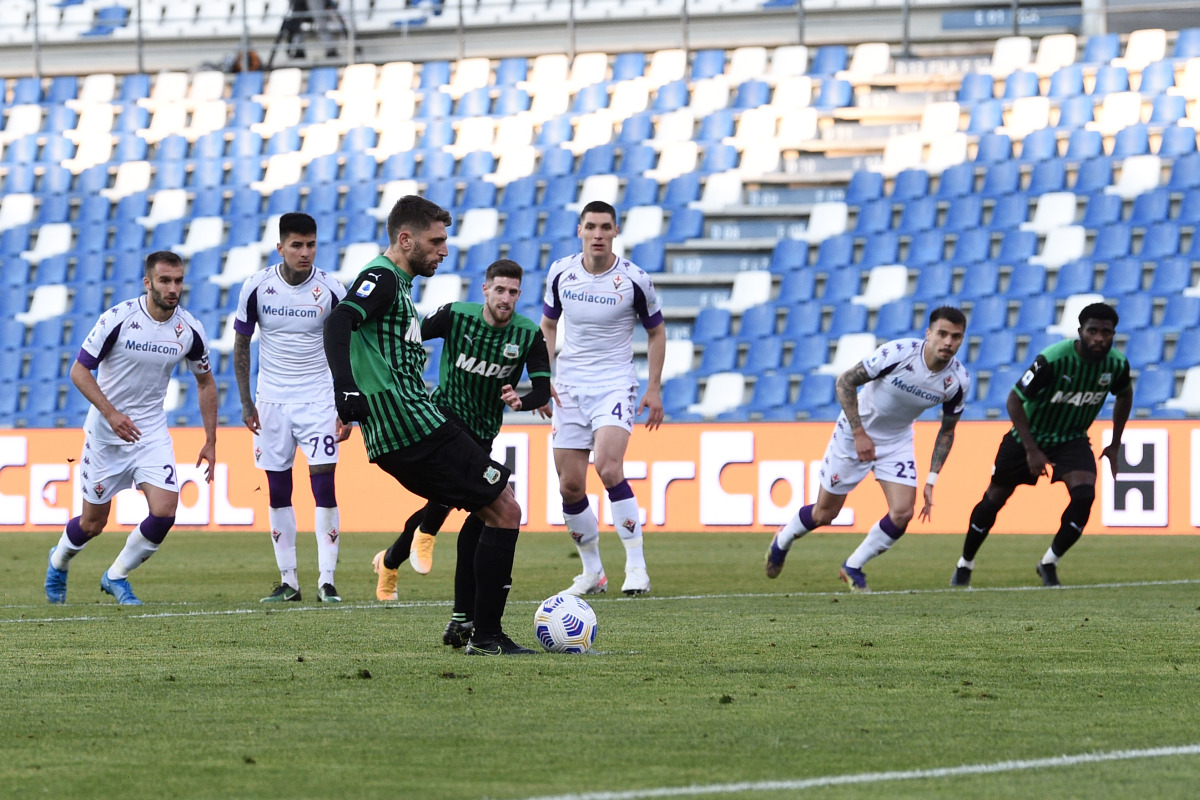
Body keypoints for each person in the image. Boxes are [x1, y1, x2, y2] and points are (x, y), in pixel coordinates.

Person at [323, 195, 533, 656]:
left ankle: (468, 624)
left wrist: (352, 396)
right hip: (413, 425)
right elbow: (338, 322)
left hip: (413, 425)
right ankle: (487, 635)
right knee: (506, 510)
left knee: (493, 508)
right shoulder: (379, 277)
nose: (442, 250)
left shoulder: (398, 286)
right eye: (435, 241)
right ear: (406, 238)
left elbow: (366, 345)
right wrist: (345, 391)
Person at [371, 259, 551, 649]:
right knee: (488, 509)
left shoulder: (528, 335)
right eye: (499, 289)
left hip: (484, 434)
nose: (506, 298)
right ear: (485, 289)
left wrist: (521, 400)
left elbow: (542, 388)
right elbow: (408, 339)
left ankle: (396, 562)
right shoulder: (456, 316)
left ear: (519, 295)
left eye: (513, 292)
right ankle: (429, 539)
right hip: (445, 422)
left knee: (478, 518)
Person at [44, 251, 217, 606]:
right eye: (165, 280)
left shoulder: (190, 330)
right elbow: (79, 371)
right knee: (93, 524)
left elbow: (206, 383)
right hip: (107, 435)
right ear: (148, 282)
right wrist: (111, 414)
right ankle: (58, 560)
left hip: (149, 433)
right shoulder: (119, 319)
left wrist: (211, 439)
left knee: (166, 511)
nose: (173, 288)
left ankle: (116, 576)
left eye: (179, 281)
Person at [765, 307, 970, 592]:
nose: (948, 342)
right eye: (942, 334)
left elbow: (947, 430)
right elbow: (845, 381)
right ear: (929, 334)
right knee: (825, 514)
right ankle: (783, 539)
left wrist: (932, 478)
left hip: (896, 440)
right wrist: (859, 433)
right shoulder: (898, 353)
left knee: (902, 513)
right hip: (855, 431)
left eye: (956, 337)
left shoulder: (957, 381)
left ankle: (853, 566)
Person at [951, 302, 1133, 588]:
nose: (1099, 338)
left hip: (1071, 438)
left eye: (1106, 332)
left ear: (1114, 334)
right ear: (1080, 332)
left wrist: (1115, 443)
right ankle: (965, 564)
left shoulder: (1117, 364)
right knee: (994, 498)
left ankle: (1048, 562)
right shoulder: (1053, 360)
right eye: (1093, 331)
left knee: (1084, 496)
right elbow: (1013, 400)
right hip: (1028, 436)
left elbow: (1124, 395)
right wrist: (1031, 449)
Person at [540, 200, 665, 597]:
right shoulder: (560, 272)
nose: (597, 234)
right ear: (580, 230)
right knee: (569, 486)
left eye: (605, 227)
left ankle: (636, 567)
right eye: (590, 227)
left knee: (609, 468)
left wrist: (654, 387)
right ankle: (593, 571)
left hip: (614, 384)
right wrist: (543, 380)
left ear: (615, 232)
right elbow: (547, 325)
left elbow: (657, 332)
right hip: (570, 386)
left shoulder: (634, 280)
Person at [234, 212, 351, 604]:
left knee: (324, 485)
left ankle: (327, 581)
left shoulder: (332, 289)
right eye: (297, 245)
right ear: (280, 247)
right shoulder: (256, 287)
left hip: (318, 398)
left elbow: (349, 347)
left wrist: (345, 405)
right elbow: (241, 344)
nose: (305, 253)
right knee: (278, 489)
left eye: (311, 244)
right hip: (271, 401)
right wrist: (247, 401)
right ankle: (289, 582)